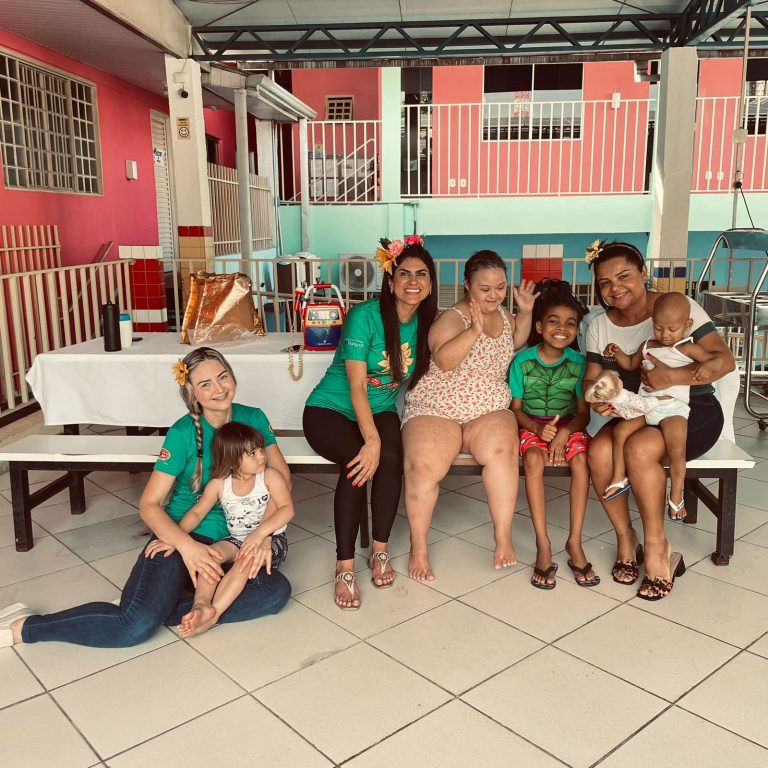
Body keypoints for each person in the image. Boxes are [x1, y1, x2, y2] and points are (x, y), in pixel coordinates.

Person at [0, 347, 292, 648]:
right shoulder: (181, 433)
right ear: (191, 392)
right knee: (133, 628)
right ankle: (28, 627)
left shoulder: (253, 417)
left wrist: (264, 534)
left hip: (239, 540)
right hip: (185, 534)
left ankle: (164, 608)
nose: (219, 389)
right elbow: (149, 504)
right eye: (205, 384)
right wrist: (186, 546)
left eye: (223, 377)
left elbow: (281, 479)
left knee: (275, 593)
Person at [583, 241, 735, 601]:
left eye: (624, 276)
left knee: (638, 449)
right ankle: (626, 539)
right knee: (599, 453)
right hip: (638, 407)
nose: (615, 288)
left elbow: (724, 361)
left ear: (642, 273)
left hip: (692, 407)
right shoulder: (599, 325)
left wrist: (673, 377)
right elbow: (590, 379)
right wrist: (598, 396)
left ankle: (657, 548)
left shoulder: (678, 308)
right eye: (605, 282)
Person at [303, 235, 438, 610]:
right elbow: (357, 386)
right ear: (391, 281)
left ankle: (380, 549)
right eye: (404, 274)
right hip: (329, 409)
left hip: (380, 410)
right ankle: (344, 565)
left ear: (430, 285)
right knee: (358, 462)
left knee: (392, 459)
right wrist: (371, 441)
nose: (413, 281)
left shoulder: (427, 323)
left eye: (421, 275)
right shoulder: (365, 316)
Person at [402, 250, 538, 581]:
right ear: (467, 285)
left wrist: (525, 312)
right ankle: (418, 547)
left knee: (503, 453)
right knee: (423, 466)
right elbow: (445, 361)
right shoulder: (452, 318)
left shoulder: (503, 314)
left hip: (487, 407)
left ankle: (502, 537)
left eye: (500, 288)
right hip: (438, 407)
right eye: (485, 289)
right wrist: (473, 330)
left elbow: (515, 340)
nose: (494, 296)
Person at [145, 421, 294, 638]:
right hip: (236, 539)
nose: (262, 456)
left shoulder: (270, 477)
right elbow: (197, 513)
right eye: (252, 454)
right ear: (232, 459)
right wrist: (174, 538)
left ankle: (213, 614)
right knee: (211, 554)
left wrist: (260, 534)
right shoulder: (219, 484)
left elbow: (287, 509)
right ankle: (201, 604)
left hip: (272, 541)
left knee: (245, 558)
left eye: (261, 450)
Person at [596, 292, 723, 519]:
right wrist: (618, 353)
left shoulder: (687, 348)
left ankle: (676, 496)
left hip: (673, 408)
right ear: (652, 321)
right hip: (648, 405)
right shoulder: (647, 345)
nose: (665, 335)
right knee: (621, 431)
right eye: (659, 328)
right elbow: (631, 363)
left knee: (676, 450)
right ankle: (618, 476)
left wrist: (707, 368)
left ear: (687, 325)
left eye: (672, 329)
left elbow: (718, 360)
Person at [509, 281, 596, 589]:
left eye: (570, 323)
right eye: (554, 321)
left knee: (581, 461)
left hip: (569, 425)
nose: (562, 329)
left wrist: (563, 433)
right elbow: (515, 409)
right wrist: (537, 430)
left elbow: (584, 414)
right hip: (531, 423)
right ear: (539, 326)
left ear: (576, 330)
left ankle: (575, 541)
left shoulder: (579, 364)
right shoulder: (522, 361)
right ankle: (543, 543)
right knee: (533, 460)